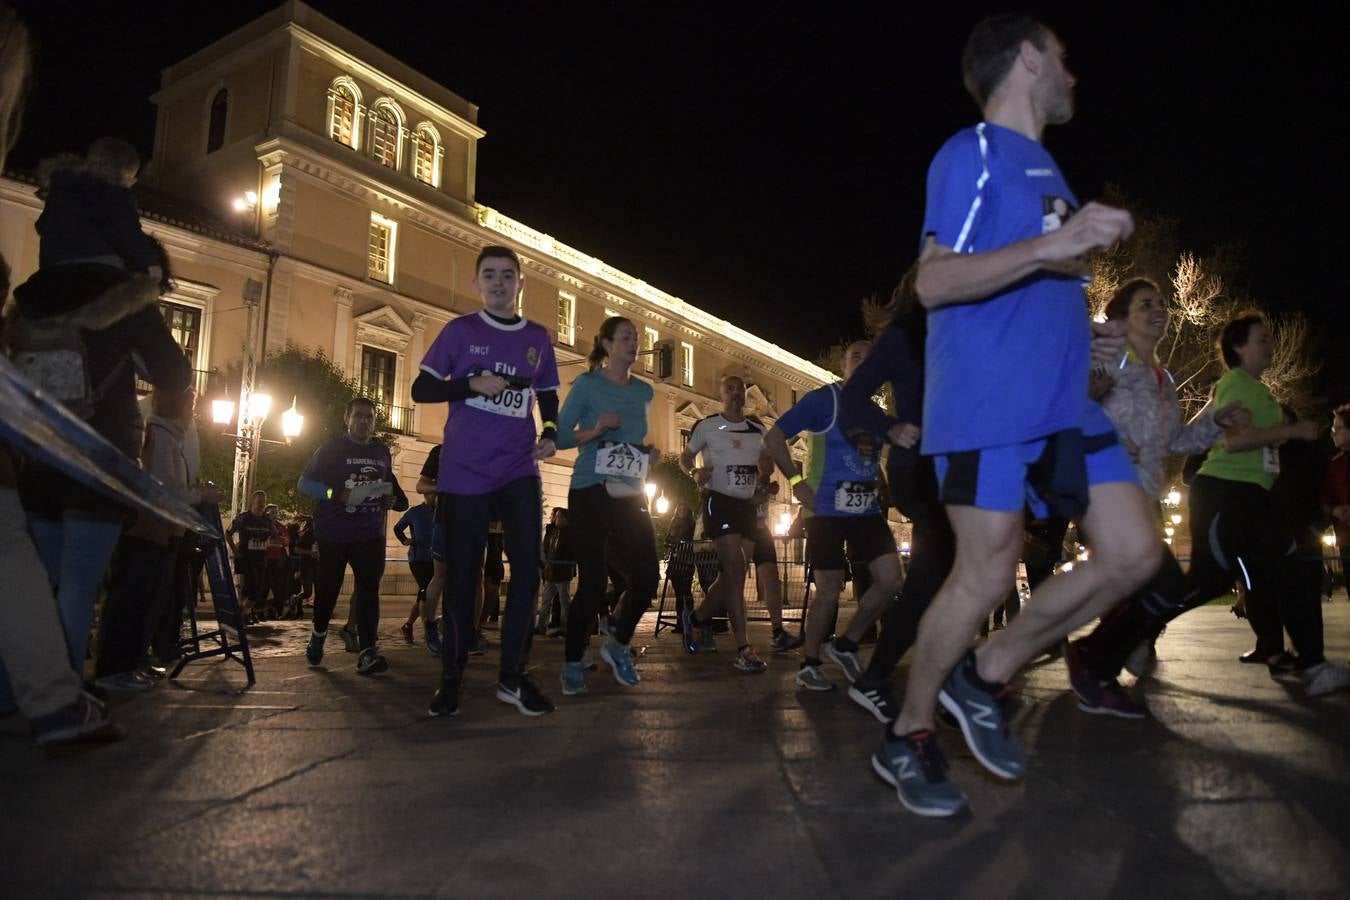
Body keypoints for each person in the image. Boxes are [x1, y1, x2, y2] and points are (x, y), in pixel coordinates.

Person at [873, 13, 1161, 817]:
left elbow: (1031, 282)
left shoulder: (1047, 173)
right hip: (990, 402)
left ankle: (987, 670)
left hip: (1066, 406)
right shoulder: (975, 153)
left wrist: (1085, 336)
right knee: (986, 570)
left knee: (1137, 555)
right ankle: (910, 730)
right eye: (1063, 57)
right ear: (1029, 58)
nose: (1073, 74)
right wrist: (1052, 248)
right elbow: (932, 283)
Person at [0, 1, 121, 745]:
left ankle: (47, 696)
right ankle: (51, 695)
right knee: (44, 564)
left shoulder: (40, 292)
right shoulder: (113, 293)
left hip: (38, 455)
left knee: (19, 549)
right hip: (74, 458)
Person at [1063, 278, 1245, 714]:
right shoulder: (1111, 363)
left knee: (1146, 587)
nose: (1159, 309)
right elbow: (1068, 405)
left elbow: (1174, 442)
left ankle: (1090, 656)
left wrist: (1215, 421)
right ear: (1123, 319)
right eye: (1147, 304)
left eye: (1162, 303)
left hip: (1142, 496)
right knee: (1161, 582)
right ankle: (1090, 662)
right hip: (1103, 486)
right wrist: (1104, 434)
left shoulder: (1163, 378)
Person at [1164, 314, 1349, 695]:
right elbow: (1234, 441)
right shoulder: (1234, 383)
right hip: (1226, 492)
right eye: (1262, 339)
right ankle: (1136, 626)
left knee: (1290, 573)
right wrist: (1291, 431)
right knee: (1208, 579)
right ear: (1239, 347)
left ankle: (1312, 665)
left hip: (1253, 495)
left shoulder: (1256, 388)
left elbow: (1255, 440)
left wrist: (1277, 439)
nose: (1270, 345)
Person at [414, 245, 560, 718]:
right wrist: (468, 384)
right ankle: (451, 679)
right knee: (462, 576)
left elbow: (548, 394)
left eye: (507, 275)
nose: (499, 283)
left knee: (528, 569)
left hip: (519, 467)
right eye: (489, 275)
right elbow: (422, 388)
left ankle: (512, 676)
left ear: (521, 284)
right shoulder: (460, 331)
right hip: (464, 471)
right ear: (477, 284)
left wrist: (552, 433)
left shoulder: (537, 337)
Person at [836, 268, 947, 722]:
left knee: (951, 574)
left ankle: (936, 678)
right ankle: (881, 676)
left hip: (955, 470)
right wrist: (890, 427)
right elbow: (853, 399)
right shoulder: (903, 336)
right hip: (916, 470)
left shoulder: (956, 334)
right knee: (934, 570)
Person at [764, 341, 903, 692]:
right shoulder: (823, 400)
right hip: (824, 507)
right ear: (843, 365)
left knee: (891, 580)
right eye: (856, 357)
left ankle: (846, 643)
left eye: (871, 359)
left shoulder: (874, 412)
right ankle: (810, 664)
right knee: (829, 589)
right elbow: (775, 436)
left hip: (865, 508)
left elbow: (871, 458)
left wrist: (881, 486)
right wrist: (795, 483)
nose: (863, 363)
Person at [555, 316, 661, 694]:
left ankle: (617, 643)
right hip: (590, 487)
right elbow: (563, 436)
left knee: (648, 576)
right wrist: (597, 429)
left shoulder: (644, 392)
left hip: (630, 490)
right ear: (607, 345)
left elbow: (634, 442)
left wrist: (649, 455)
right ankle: (571, 665)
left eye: (637, 337)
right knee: (594, 581)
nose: (635, 343)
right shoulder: (587, 385)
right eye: (627, 337)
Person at [95, 386, 221, 690]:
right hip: (148, 532)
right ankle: (115, 668)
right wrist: (201, 494)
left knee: (147, 600)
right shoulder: (161, 436)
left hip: (158, 533)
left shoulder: (167, 436)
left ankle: (133, 662)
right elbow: (166, 490)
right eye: (190, 403)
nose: (192, 410)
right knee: (133, 600)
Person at [298, 396, 408, 675]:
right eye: (358, 416)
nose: (363, 421)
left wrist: (389, 500)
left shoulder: (382, 451)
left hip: (369, 534)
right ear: (347, 419)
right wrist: (336, 494)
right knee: (329, 590)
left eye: (369, 417)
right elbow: (305, 483)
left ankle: (368, 651)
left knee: (368, 592)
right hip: (334, 533)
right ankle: (319, 634)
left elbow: (388, 487)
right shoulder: (331, 449)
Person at [678, 375, 770, 672]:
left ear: (746, 396)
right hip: (718, 500)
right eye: (729, 389)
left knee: (736, 573)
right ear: (720, 394)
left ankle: (697, 618)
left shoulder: (758, 429)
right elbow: (686, 457)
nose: (736, 393)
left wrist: (765, 474)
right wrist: (694, 473)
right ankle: (743, 647)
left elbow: (766, 462)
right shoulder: (707, 426)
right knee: (733, 567)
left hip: (747, 506)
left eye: (741, 389)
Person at [226, 491, 276, 624]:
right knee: (252, 585)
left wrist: (278, 541)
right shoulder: (243, 518)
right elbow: (228, 533)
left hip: (261, 557)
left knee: (257, 588)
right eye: (259, 501)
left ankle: (243, 611)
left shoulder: (267, 520)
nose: (261, 504)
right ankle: (243, 612)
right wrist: (235, 551)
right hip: (246, 557)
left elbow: (274, 536)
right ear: (252, 502)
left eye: (263, 501)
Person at [396, 491, 437, 643]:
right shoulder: (415, 512)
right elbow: (397, 528)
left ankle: (408, 625)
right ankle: (428, 630)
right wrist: (405, 540)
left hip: (436, 558)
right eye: (433, 494)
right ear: (426, 495)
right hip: (418, 558)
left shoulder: (442, 512)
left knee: (424, 594)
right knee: (425, 590)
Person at [1320, 404, 1350, 596]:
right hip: (1347, 539)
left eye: (1338, 428)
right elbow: (1324, 498)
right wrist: (1334, 510)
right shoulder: (1334, 465)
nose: (1333, 434)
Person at [536, 507, 575, 635]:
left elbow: (570, 553)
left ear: (565, 519)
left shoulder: (569, 534)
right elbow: (549, 550)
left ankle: (566, 628)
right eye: (556, 516)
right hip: (551, 572)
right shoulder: (555, 532)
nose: (556, 519)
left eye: (559, 517)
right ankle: (541, 626)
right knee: (546, 600)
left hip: (562, 573)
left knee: (564, 601)